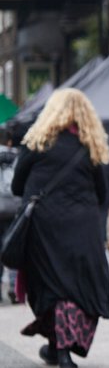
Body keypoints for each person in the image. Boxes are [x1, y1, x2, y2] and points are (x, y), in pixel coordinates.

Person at [10, 88, 109, 368]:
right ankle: (61, 349)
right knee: (76, 287)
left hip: (44, 226)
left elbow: (17, 187)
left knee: (52, 286)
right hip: (82, 227)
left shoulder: (37, 143)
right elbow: (103, 194)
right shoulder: (89, 146)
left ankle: (59, 348)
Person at [0, 126, 21, 304]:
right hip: (13, 207)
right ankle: (14, 287)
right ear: (9, 141)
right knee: (12, 246)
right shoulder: (18, 156)